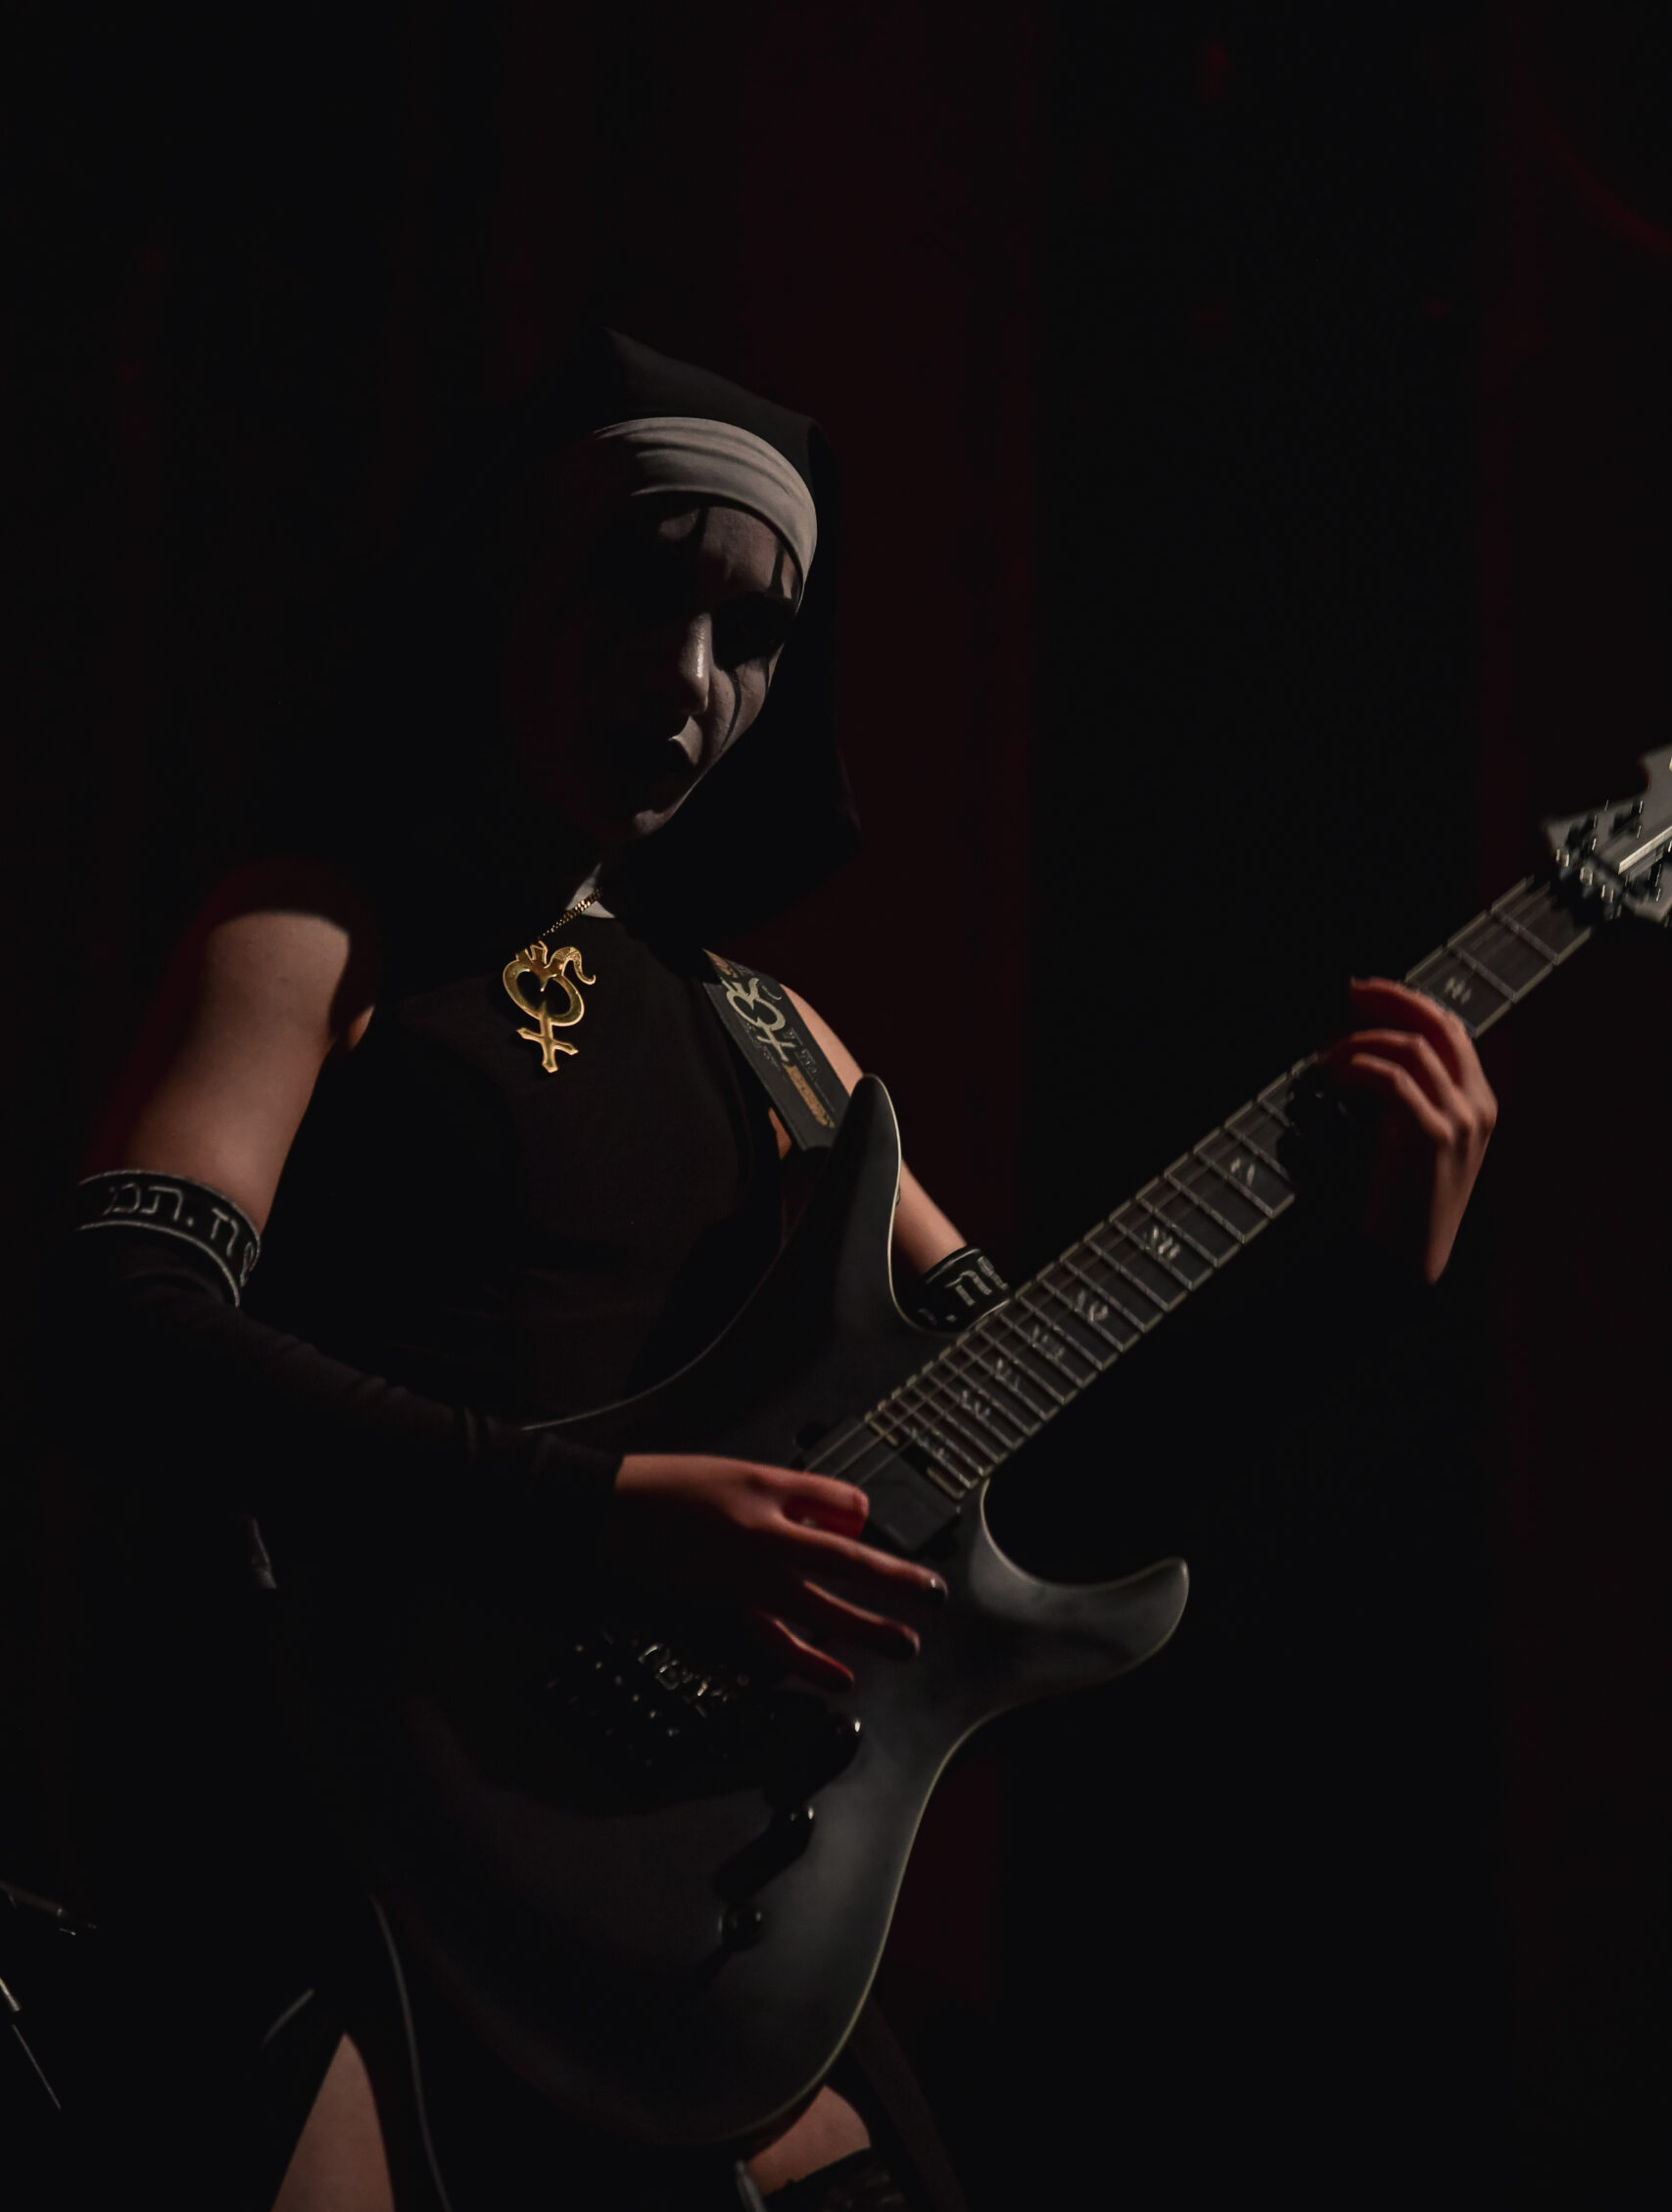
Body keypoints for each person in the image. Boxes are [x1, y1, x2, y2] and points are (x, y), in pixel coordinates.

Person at [54, 330, 1497, 2210]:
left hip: (688, 1905)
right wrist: (606, 1517)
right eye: (641, 588)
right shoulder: (317, 930)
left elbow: (1038, 1473)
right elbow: (125, 1321)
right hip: (339, 1836)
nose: (689, 678)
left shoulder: (785, 1041)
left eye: (754, 633)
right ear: (509, 579)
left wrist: (1367, 1281)